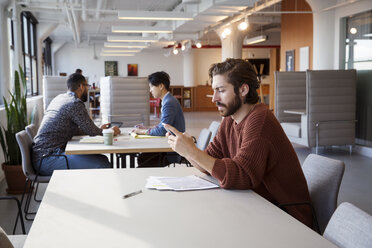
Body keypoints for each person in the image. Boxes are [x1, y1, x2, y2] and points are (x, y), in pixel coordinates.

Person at [164, 58, 312, 227]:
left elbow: (242, 176)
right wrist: (186, 151)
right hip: (256, 204)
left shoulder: (260, 120)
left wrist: (192, 152)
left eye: (220, 90)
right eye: (214, 91)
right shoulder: (230, 119)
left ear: (243, 90)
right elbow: (208, 164)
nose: (214, 98)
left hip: (286, 217)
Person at [32, 73, 120, 176]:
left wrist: (98, 129)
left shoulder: (59, 98)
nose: (88, 89)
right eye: (87, 86)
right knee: (103, 164)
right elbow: (91, 131)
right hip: (48, 159)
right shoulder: (74, 103)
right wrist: (111, 131)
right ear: (81, 87)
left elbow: (77, 129)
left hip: (42, 155)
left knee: (102, 158)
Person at [133, 71, 185, 167]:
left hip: (172, 149)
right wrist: (146, 128)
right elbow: (163, 125)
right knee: (142, 157)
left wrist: (141, 131)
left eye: (151, 87)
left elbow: (161, 130)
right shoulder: (168, 100)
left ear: (161, 86)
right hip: (171, 143)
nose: (150, 90)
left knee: (143, 160)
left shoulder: (169, 102)